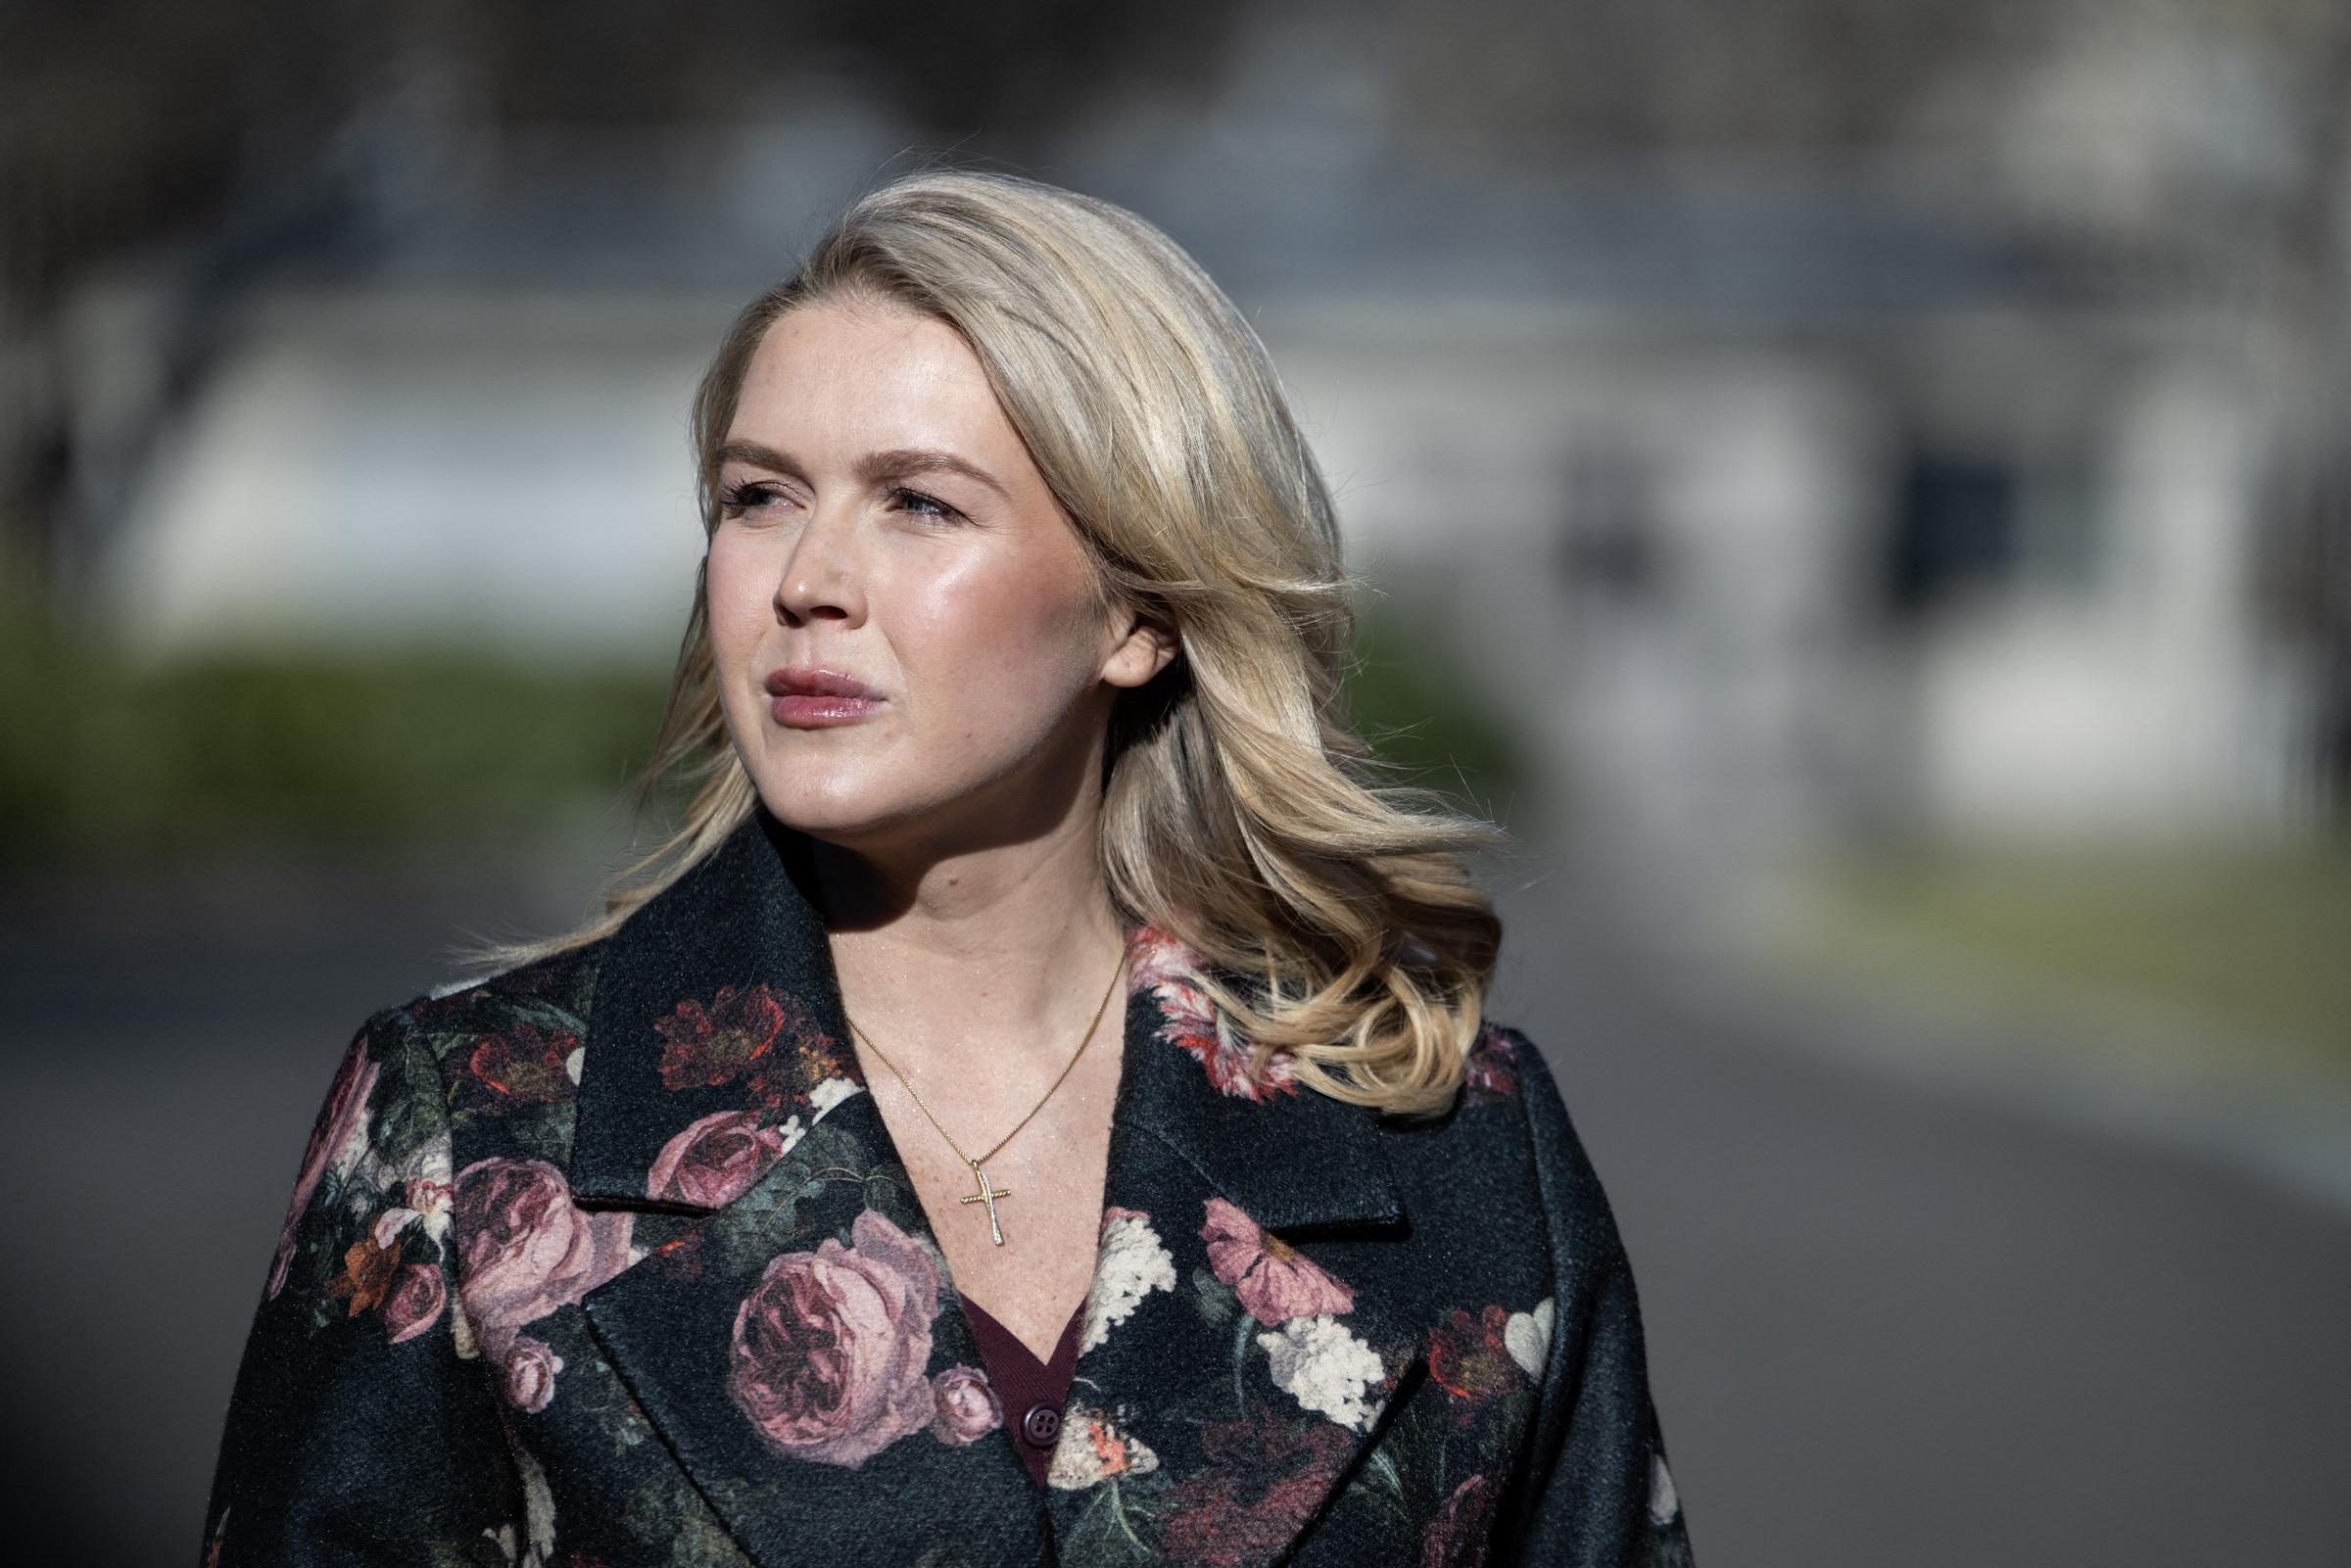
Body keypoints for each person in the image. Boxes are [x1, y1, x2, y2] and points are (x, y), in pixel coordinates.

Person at [198, 166, 1695, 1567]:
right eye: (758, 495)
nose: (805, 580)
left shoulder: (1454, 1145)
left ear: (1138, 608)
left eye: (918, 502)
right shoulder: (473, 1133)